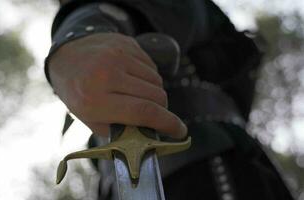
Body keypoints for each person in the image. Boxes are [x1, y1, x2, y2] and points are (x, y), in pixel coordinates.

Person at [45, 0, 295, 199]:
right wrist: (81, 35)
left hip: (213, 166)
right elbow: (99, 12)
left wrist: (82, 36)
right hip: (143, 178)